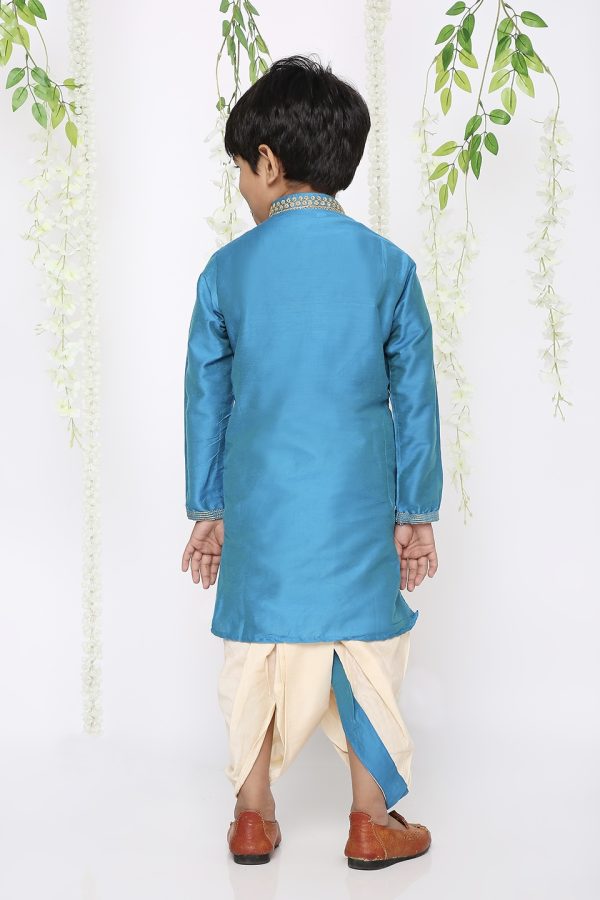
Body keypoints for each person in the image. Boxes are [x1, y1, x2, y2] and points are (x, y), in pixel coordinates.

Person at [181, 54, 443, 870]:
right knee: (365, 649)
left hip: (259, 504)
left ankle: (251, 816)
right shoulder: (389, 267)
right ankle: (371, 819)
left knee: (255, 649)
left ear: (268, 162)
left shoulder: (227, 271)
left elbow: (206, 400)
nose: (240, 188)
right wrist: (415, 512)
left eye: (239, 170)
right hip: (358, 502)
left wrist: (209, 508)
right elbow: (416, 400)